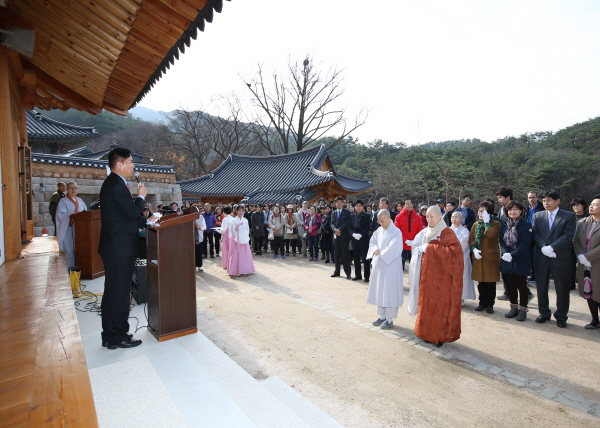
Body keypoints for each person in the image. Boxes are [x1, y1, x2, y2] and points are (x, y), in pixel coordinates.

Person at [99, 148, 157, 350]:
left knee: (114, 291)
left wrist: (147, 220)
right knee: (119, 293)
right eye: (131, 162)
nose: (133, 166)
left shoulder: (114, 184)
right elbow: (131, 212)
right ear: (120, 163)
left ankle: (110, 334)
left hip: (116, 246)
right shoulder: (116, 185)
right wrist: (141, 197)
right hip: (119, 248)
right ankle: (117, 335)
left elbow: (124, 216)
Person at [407, 206, 463, 347]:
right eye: (427, 216)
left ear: (440, 216)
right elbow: (417, 245)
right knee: (426, 304)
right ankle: (425, 333)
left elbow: (455, 254)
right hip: (427, 278)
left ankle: (439, 336)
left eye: (432, 216)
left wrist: (430, 249)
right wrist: (416, 247)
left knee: (440, 307)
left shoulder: (447, 232)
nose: (429, 219)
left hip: (442, 280)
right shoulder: (426, 232)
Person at [532, 190, 577, 328]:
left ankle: (561, 316)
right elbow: (536, 233)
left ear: (558, 201)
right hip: (542, 256)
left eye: (549, 200)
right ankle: (544, 313)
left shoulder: (568, 216)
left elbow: (568, 235)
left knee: (562, 288)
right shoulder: (538, 215)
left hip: (560, 257)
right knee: (541, 287)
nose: (546, 203)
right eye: (544, 200)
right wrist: (544, 247)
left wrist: (552, 247)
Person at [367, 209, 404, 329]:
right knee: (380, 289)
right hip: (380, 264)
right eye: (379, 221)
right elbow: (372, 242)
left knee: (389, 291)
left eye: (382, 221)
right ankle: (382, 316)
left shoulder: (396, 232)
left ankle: (389, 319)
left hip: (391, 265)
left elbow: (394, 248)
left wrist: (381, 252)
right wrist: (374, 250)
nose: (380, 223)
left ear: (389, 218)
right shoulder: (379, 230)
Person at [499, 201, 533, 321]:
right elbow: (501, 241)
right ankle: (513, 307)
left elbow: (525, 243)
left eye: (515, 209)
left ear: (520, 211)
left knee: (521, 285)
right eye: (510, 210)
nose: (512, 212)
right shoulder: (504, 225)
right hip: (507, 258)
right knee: (510, 285)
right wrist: (505, 252)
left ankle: (523, 309)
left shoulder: (526, 225)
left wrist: (512, 254)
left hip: (520, 258)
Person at [573, 195, 600, 330]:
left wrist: (588, 256)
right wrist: (581, 256)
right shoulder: (583, 222)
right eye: (591, 204)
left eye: (595, 204)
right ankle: (595, 319)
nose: (591, 206)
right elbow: (575, 240)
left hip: (597, 263)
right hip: (585, 263)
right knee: (589, 291)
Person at [469, 201, 501, 314]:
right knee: (481, 282)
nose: (481, 213)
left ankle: (490, 304)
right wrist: (474, 248)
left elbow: (491, 235)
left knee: (490, 283)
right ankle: (482, 303)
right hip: (479, 257)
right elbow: (471, 238)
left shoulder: (495, 224)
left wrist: (487, 223)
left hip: (490, 257)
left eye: (484, 211)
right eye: (479, 211)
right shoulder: (475, 224)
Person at [56, 181, 87, 268]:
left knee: (79, 248)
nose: (74, 190)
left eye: (75, 188)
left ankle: (80, 269)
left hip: (79, 230)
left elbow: (85, 213)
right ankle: (69, 269)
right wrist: (72, 216)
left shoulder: (80, 201)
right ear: (67, 189)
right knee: (69, 248)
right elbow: (60, 215)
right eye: (71, 188)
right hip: (68, 229)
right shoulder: (63, 201)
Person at [450, 211, 476, 303]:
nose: (454, 219)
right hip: (449, 257)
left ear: (461, 219)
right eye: (452, 217)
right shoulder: (448, 230)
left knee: (462, 277)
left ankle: (461, 297)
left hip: (462, 257)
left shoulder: (465, 230)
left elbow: (463, 243)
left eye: (456, 217)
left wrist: (453, 245)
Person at [393, 199, 424, 271]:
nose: (410, 205)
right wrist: (405, 240)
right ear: (403, 206)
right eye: (407, 203)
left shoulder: (417, 217)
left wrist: (414, 241)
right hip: (402, 245)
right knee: (400, 267)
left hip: (414, 245)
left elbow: (420, 230)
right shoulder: (398, 217)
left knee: (415, 267)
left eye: (411, 203)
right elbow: (397, 231)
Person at [227, 205, 255, 277]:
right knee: (236, 255)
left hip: (244, 239)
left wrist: (245, 235)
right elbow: (232, 230)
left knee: (244, 255)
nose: (241, 212)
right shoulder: (233, 220)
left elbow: (247, 229)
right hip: (236, 240)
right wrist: (236, 236)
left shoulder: (245, 220)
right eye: (239, 210)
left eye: (242, 210)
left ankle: (245, 270)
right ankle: (236, 270)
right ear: (236, 211)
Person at [331, 196, 352, 279]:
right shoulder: (334, 213)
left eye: (341, 202)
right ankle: (337, 272)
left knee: (345, 254)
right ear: (335, 204)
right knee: (336, 254)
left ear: (343, 203)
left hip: (344, 236)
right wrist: (334, 229)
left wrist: (339, 229)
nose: (339, 203)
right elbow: (331, 223)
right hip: (336, 236)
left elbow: (347, 223)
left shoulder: (347, 212)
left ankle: (348, 273)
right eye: (337, 202)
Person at [351, 200, 370, 281]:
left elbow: (367, 227)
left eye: (360, 206)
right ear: (355, 207)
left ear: (363, 207)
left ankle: (366, 276)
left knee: (366, 258)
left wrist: (361, 234)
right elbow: (349, 227)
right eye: (357, 206)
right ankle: (358, 275)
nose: (358, 207)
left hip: (364, 239)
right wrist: (353, 234)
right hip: (355, 239)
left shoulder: (367, 216)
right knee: (356, 258)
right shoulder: (352, 216)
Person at [193, 205, 206, 272]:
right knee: (192, 253)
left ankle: (199, 266)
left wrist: (199, 227)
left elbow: (205, 227)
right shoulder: (189, 218)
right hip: (191, 238)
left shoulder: (201, 217)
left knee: (199, 252)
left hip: (199, 238)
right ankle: (193, 266)